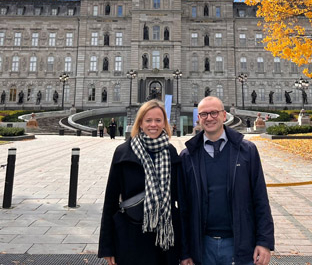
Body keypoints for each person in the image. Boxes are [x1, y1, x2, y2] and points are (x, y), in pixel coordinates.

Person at [179, 96, 274, 265]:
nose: (209, 118)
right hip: (202, 246)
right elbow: (184, 209)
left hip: (240, 244)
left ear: (224, 115)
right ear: (198, 118)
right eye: (204, 114)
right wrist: (185, 252)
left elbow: (260, 199)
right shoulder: (188, 156)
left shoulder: (247, 151)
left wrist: (264, 242)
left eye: (214, 113)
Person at [98, 100, 183, 265]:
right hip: (131, 237)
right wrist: (107, 246)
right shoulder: (123, 152)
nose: (153, 124)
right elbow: (111, 200)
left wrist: (186, 248)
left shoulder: (171, 152)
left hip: (165, 240)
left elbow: (181, 200)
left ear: (164, 123)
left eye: (158, 120)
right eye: (148, 120)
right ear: (140, 123)